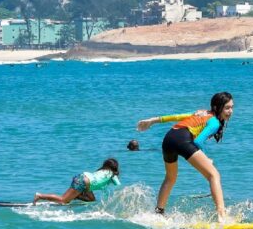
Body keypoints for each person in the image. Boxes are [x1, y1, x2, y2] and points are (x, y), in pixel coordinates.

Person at [136, 92, 234, 221]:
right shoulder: (214, 122)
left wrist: (153, 120)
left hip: (169, 138)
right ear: (217, 107)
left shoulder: (202, 112)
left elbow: (177, 117)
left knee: (170, 177)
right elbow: (198, 142)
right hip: (182, 139)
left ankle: (158, 213)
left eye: (232, 107)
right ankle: (222, 215)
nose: (230, 111)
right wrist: (206, 158)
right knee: (214, 175)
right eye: (227, 108)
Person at [33, 158, 120, 205]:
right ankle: (40, 196)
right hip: (82, 182)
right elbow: (119, 187)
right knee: (63, 200)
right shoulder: (112, 175)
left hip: (83, 180)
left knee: (91, 200)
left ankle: (76, 196)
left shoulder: (102, 171)